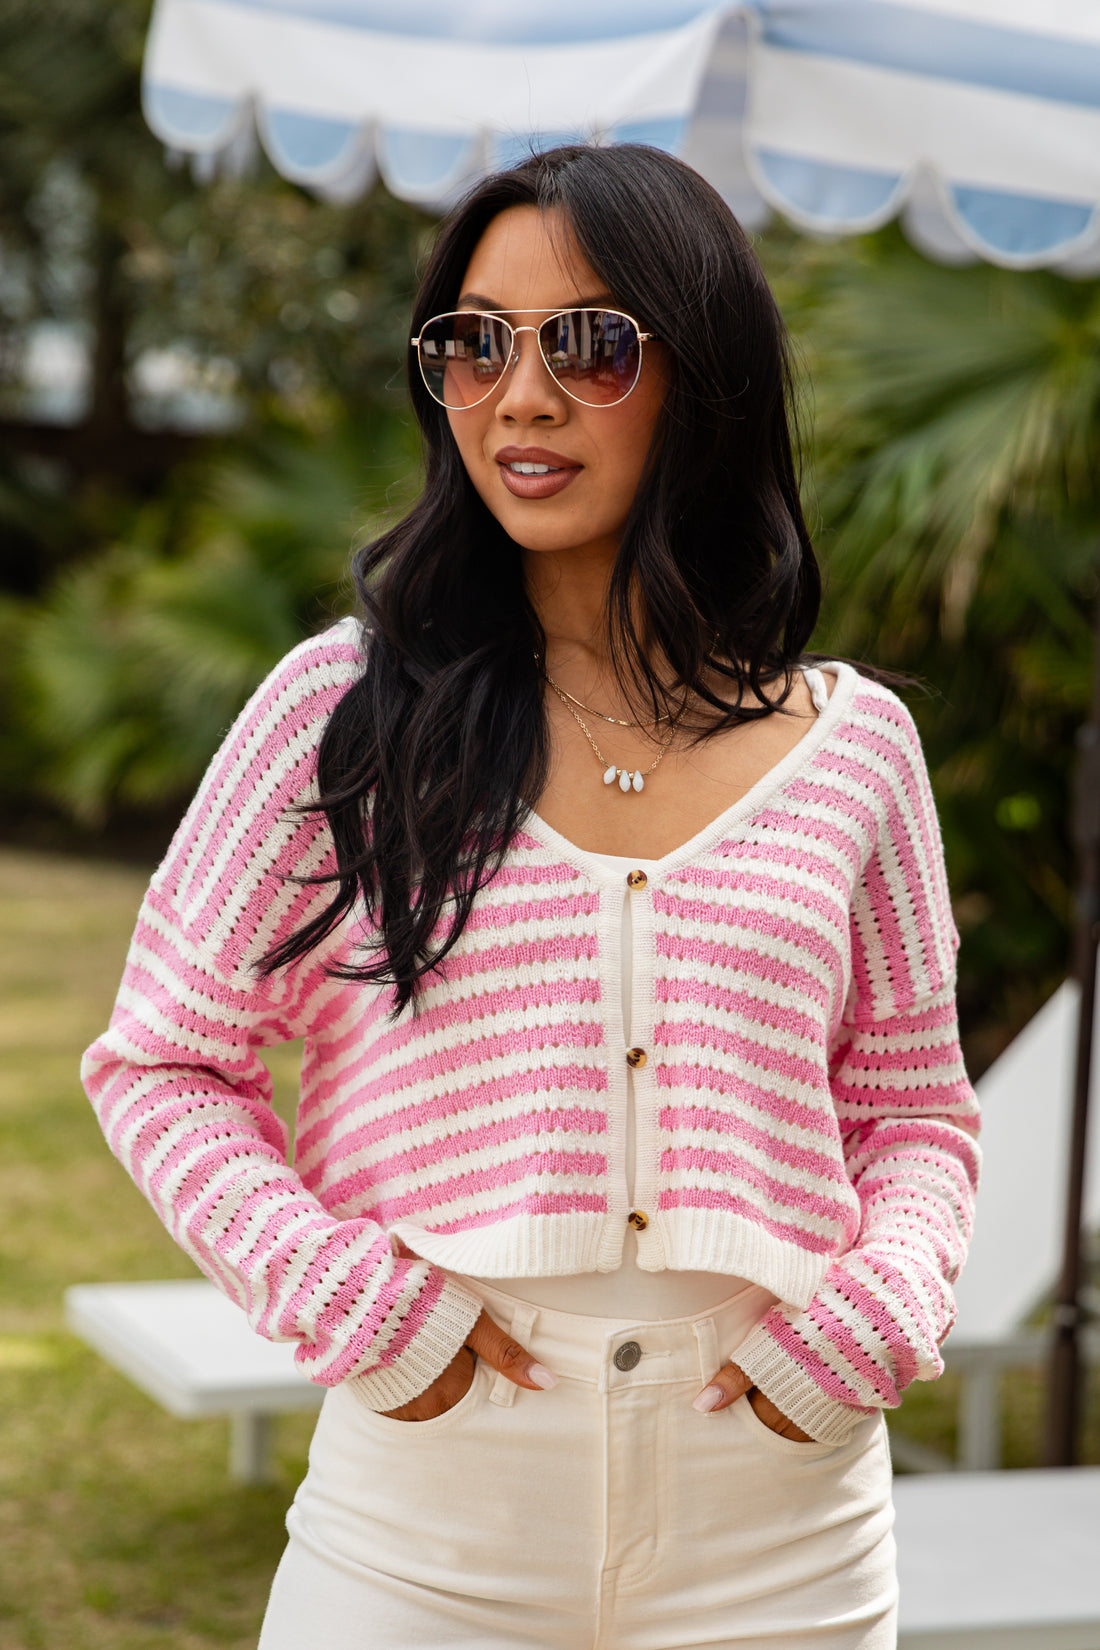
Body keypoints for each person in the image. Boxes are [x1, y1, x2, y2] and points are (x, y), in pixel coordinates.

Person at [82, 143, 980, 1649]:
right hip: (427, 1521)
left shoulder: (855, 754)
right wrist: (355, 1304)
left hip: (781, 1529)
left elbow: (913, 1110)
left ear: (705, 376)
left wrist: (876, 1315)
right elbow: (163, 1058)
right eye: (474, 344)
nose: (524, 395)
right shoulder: (343, 714)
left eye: (592, 343)